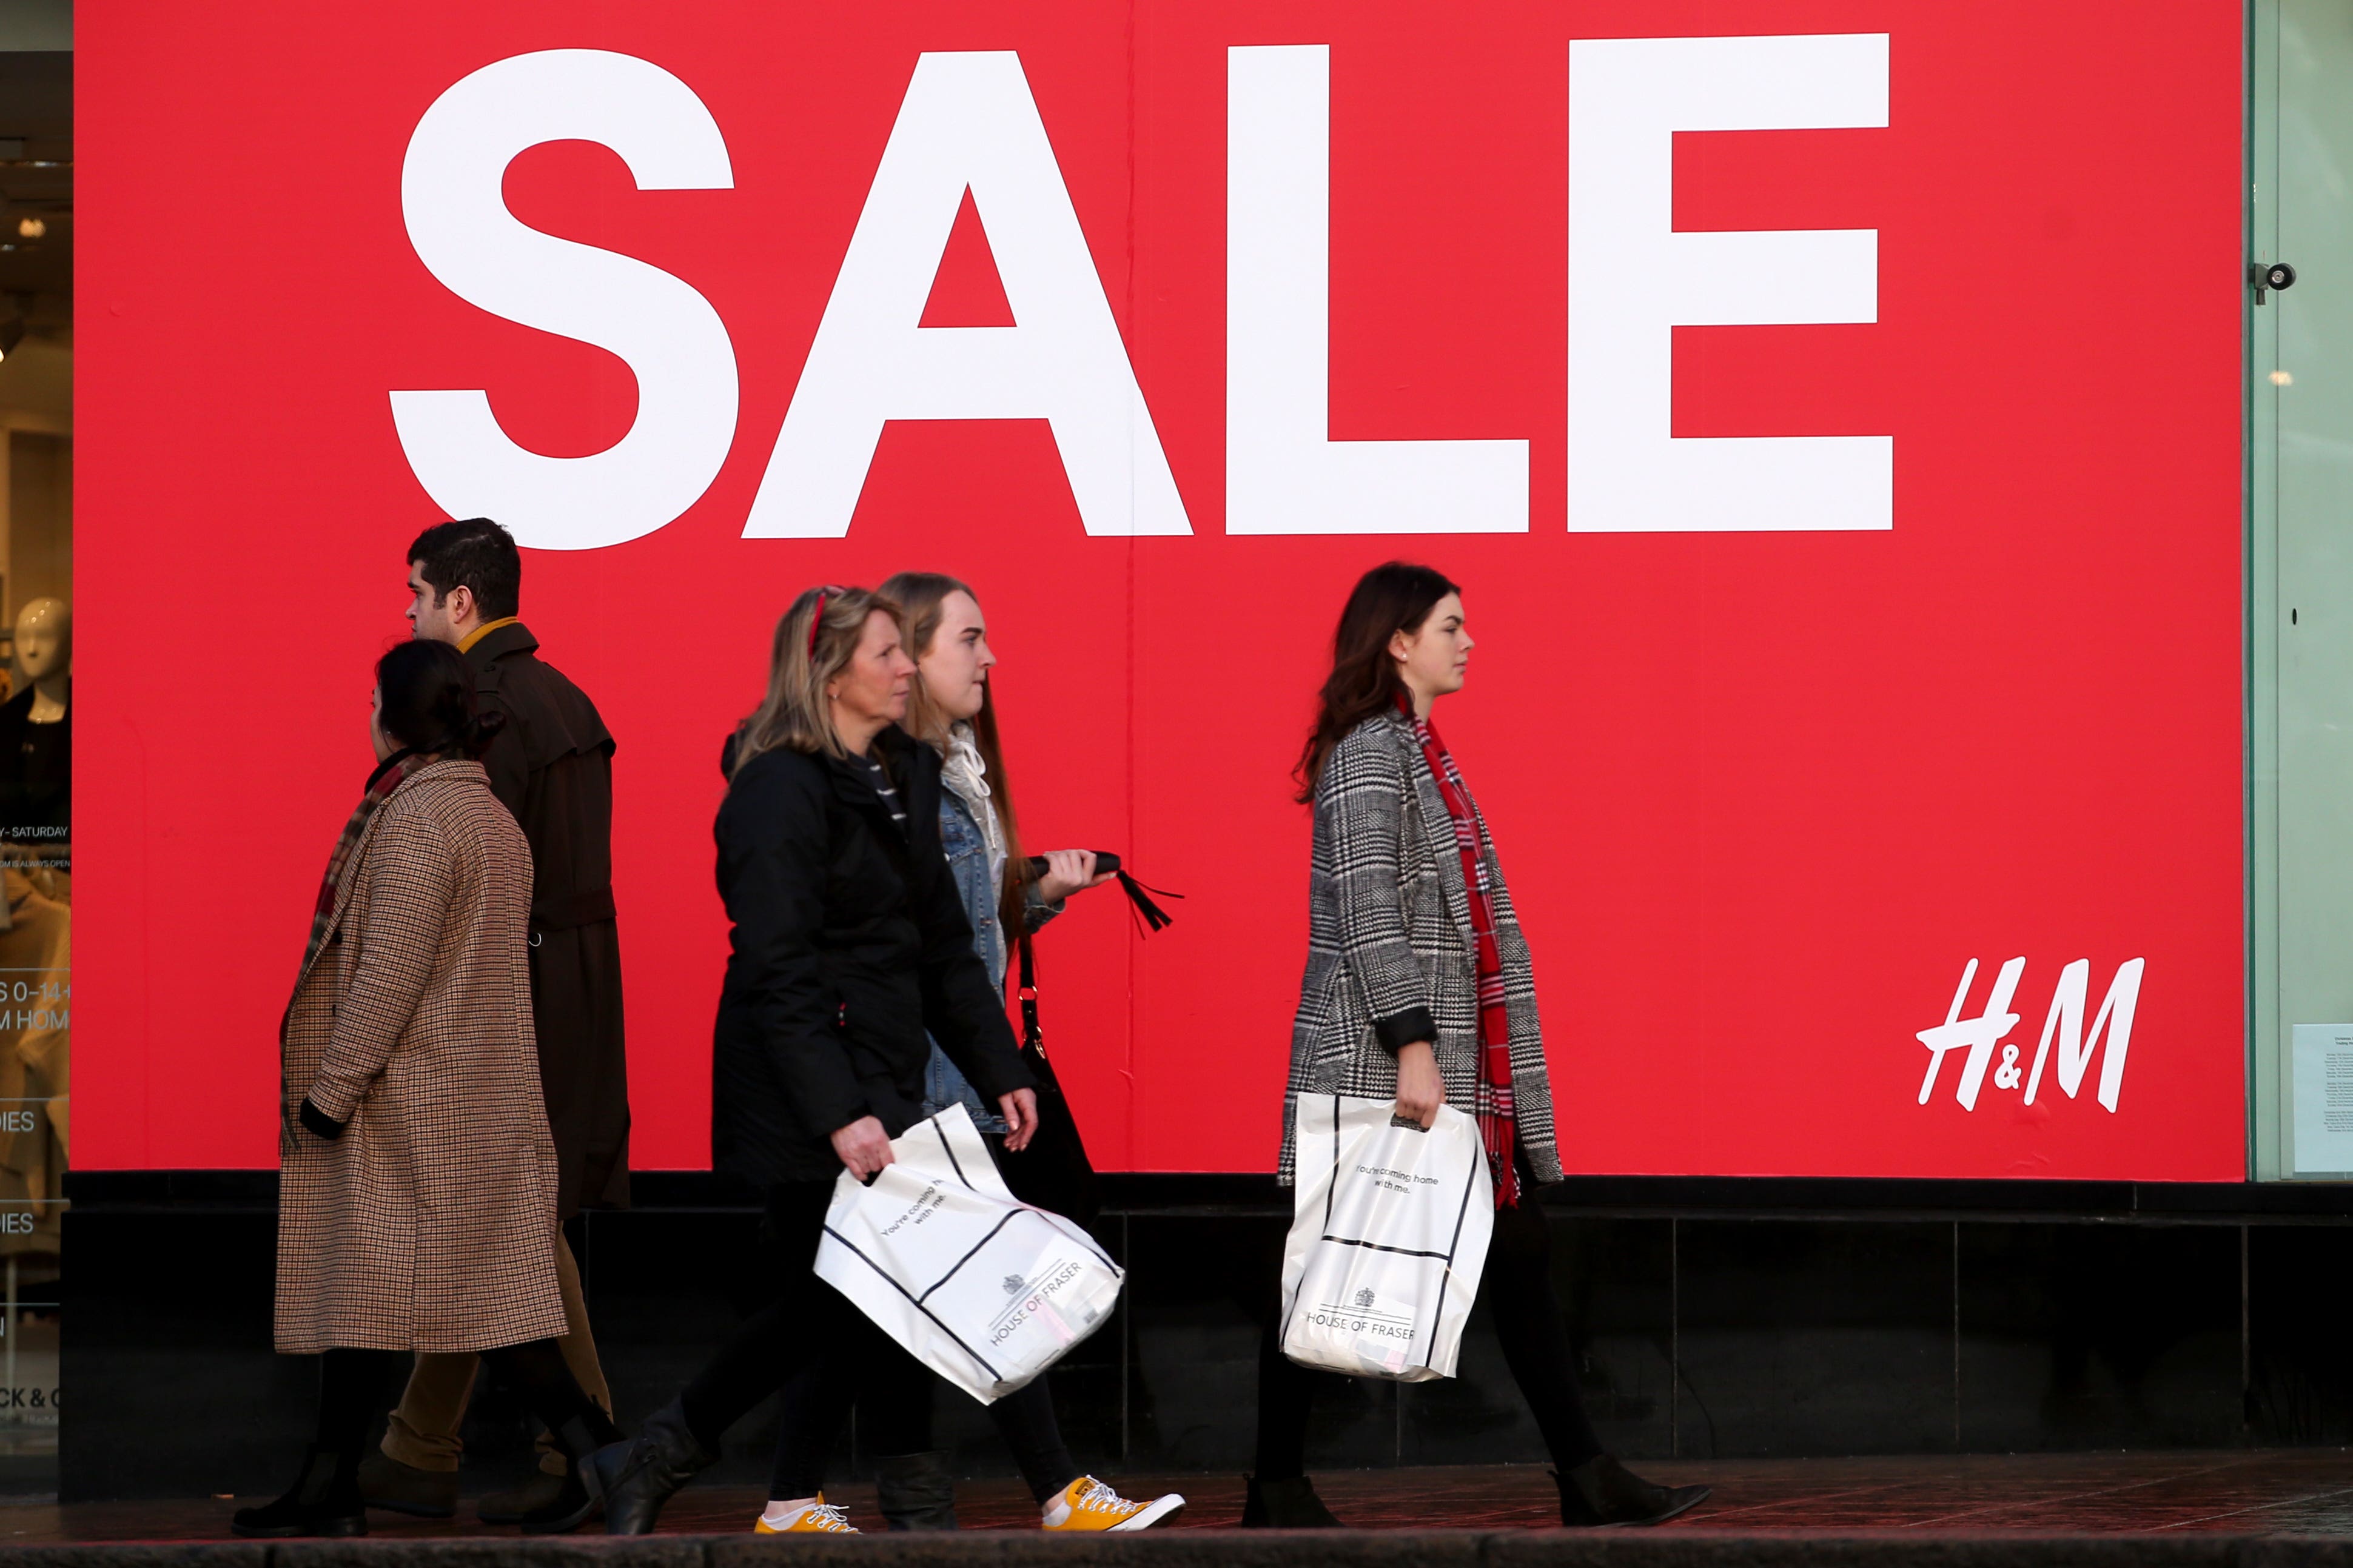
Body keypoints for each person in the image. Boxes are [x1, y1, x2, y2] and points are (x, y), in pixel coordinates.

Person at [1243, 563, 1710, 1530]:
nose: (1470, 640)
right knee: (1330, 1261)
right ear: (1399, 641)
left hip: (1440, 1062)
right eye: (1451, 625)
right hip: (1384, 1060)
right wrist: (1412, 1042)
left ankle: (1582, 1473)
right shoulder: (1373, 752)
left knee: (1514, 1247)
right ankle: (1278, 1483)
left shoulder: (1416, 750)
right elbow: (1370, 909)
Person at [589, 585, 1039, 1535]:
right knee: (847, 1294)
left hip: (875, 1071)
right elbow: (779, 968)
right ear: (831, 674)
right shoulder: (776, 788)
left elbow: (943, 947)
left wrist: (1002, 1065)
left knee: (843, 1298)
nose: (907, 666)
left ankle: (670, 1459)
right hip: (796, 1086)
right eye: (886, 654)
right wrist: (838, 1108)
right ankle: (688, 1460)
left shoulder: (905, 771)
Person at [235, 640, 622, 1539]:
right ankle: (332, 1481)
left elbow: (388, 975)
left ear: (393, 715)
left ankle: (606, 1451)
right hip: (467, 1098)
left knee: (488, 1314)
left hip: (415, 1108)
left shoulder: (414, 821)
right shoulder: (486, 816)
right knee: (379, 1303)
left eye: (372, 696)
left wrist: (331, 1091)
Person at [871, 570, 1184, 1532]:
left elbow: (963, 929)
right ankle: (1043, 1488)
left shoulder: (955, 773)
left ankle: (956, 1487)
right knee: (968, 1280)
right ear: (913, 655)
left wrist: (1040, 891)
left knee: (919, 1289)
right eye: (970, 639)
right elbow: (914, 948)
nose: (990, 658)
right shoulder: (902, 788)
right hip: (928, 1081)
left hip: (957, 1074)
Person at [358, 517, 631, 1524]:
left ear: (460, 601)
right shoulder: (568, 699)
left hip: (511, 991)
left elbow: (474, 875)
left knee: (508, 1216)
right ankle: (425, 1444)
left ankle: (585, 1449)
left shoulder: (482, 707)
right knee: (517, 1216)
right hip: (573, 983)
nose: (410, 609)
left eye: (419, 591)